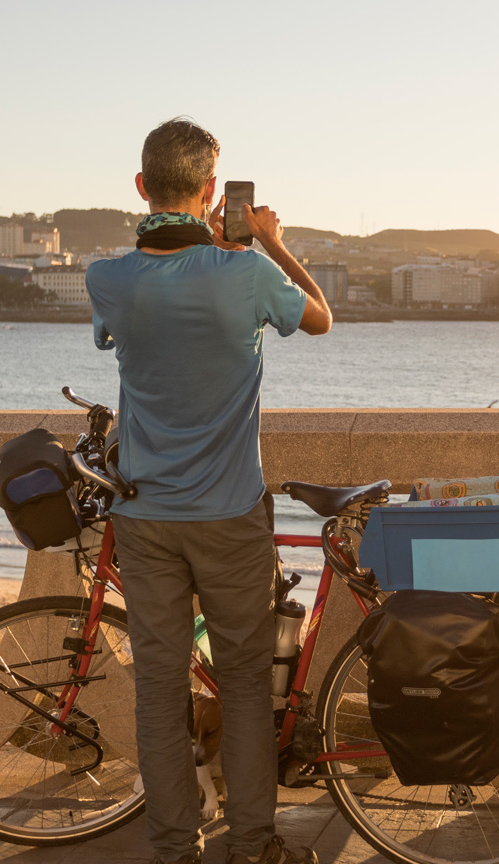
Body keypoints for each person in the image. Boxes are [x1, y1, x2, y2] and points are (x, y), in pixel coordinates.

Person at [86, 117, 331, 864]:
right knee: (245, 689)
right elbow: (320, 318)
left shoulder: (107, 278)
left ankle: (175, 847)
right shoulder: (247, 271)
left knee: (159, 691)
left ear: (140, 187)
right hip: (230, 516)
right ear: (213, 193)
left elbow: (121, 329)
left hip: (146, 518)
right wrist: (269, 242)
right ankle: (253, 845)